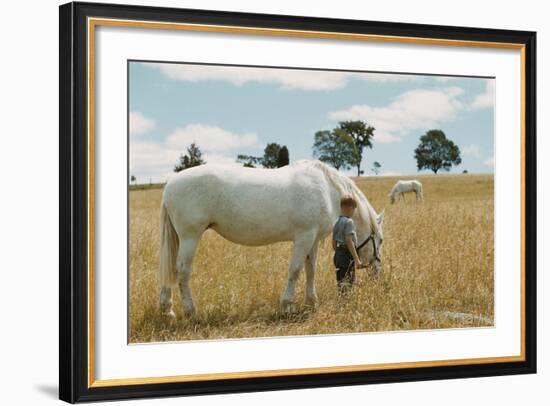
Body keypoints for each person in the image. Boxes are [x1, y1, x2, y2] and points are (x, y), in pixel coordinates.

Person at [332, 195, 363, 294]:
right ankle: (345, 304)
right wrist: (357, 259)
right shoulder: (349, 222)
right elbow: (349, 241)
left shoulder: (337, 221)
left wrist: (338, 253)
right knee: (349, 282)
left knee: (341, 281)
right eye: (354, 208)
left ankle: (342, 301)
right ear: (350, 207)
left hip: (338, 254)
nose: (354, 211)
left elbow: (333, 241)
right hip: (346, 255)